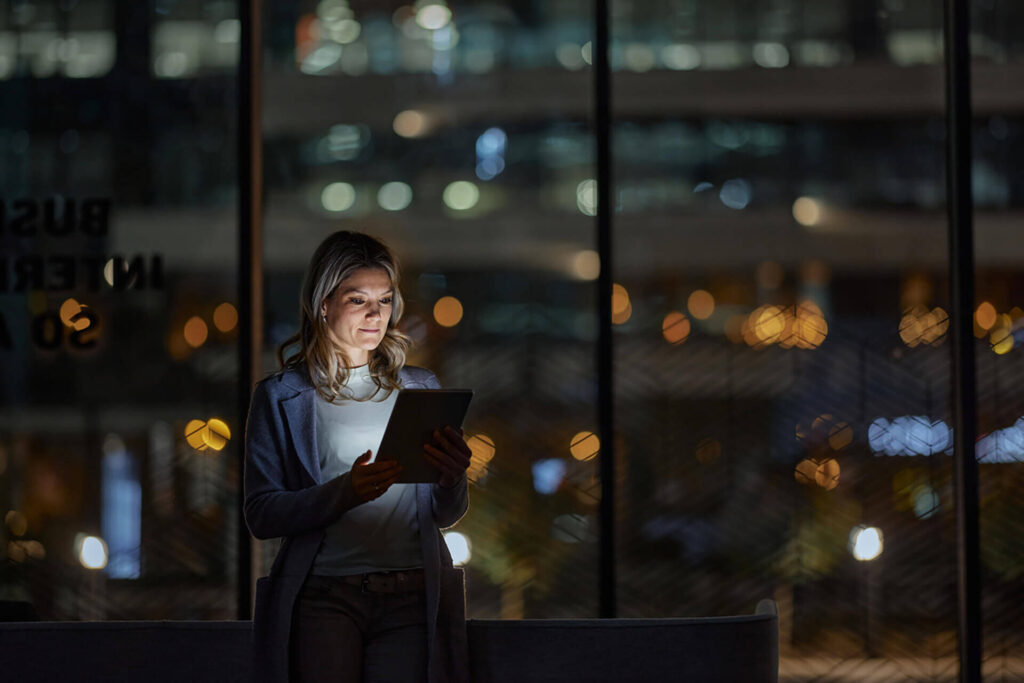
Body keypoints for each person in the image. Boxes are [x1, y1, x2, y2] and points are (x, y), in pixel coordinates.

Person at [244, 231, 472, 683]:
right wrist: (343, 493)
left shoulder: (419, 389)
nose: (375, 314)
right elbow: (261, 514)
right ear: (323, 303)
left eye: (385, 300)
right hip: (325, 598)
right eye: (358, 299)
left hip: (412, 593)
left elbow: (446, 515)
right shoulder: (282, 397)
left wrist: (452, 479)